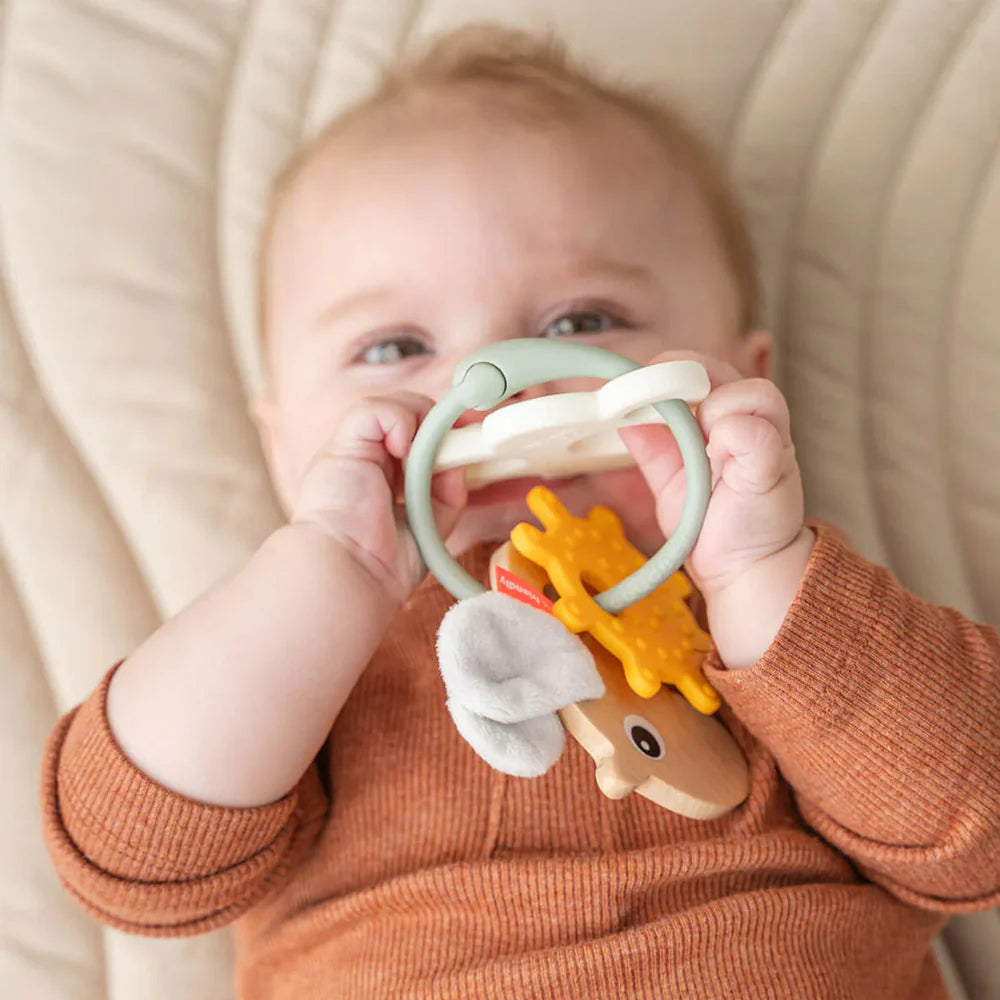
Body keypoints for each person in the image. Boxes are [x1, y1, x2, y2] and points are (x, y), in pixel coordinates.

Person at [40, 24, 1000, 999]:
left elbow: (978, 833)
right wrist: (326, 573)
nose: (489, 387)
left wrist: (762, 573)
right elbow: (132, 863)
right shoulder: (316, 651)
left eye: (580, 324)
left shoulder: (778, 614)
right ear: (283, 438)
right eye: (392, 347)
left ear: (743, 378)